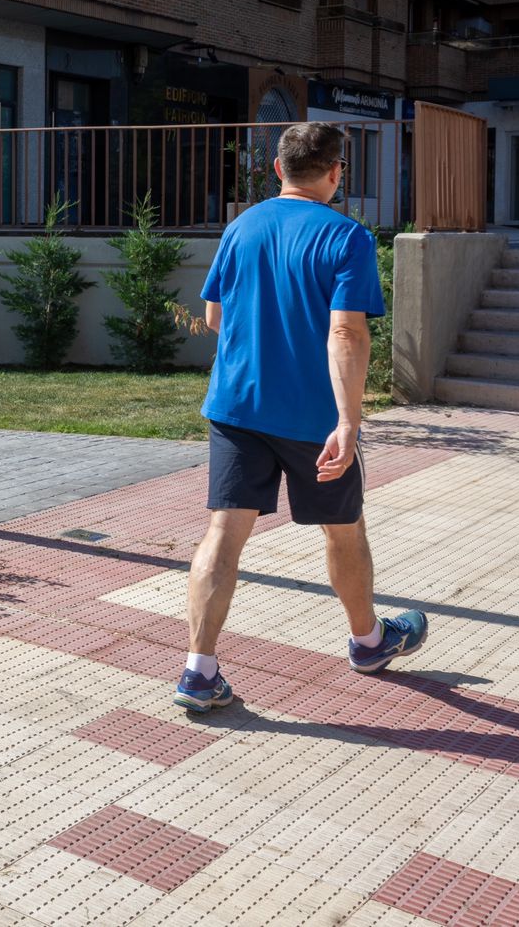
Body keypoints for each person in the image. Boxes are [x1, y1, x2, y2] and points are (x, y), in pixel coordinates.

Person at [175, 121, 427, 713]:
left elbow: (214, 316)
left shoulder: (241, 226)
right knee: (343, 531)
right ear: (337, 174)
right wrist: (349, 420)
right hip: (314, 421)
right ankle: (368, 642)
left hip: (236, 409)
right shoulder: (348, 238)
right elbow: (346, 330)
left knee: (224, 534)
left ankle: (198, 672)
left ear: (277, 170)